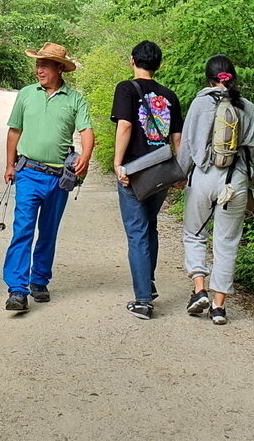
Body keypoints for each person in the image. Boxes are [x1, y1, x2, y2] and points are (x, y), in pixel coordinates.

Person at [1, 41, 94, 312]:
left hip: (58, 177)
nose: (39, 69)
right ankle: (17, 289)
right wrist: (9, 164)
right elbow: (14, 131)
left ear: (59, 69)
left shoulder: (74, 98)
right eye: (37, 64)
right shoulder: (26, 94)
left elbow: (87, 131)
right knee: (23, 229)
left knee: (48, 232)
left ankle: (39, 280)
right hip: (28, 172)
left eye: (44, 65)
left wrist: (86, 157)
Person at [179, 54, 254, 325]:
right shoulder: (247, 107)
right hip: (234, 181)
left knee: (194, 233)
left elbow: (188, 145)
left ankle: (199, 289)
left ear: (208, 77)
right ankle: (218, 307)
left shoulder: (200, 103)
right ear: (233, 77)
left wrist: (180, 174)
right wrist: (252, 183)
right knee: (226, 242)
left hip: (203, 177)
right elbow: (253, 152)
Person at [111, 40, 183, 319]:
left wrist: (118, 163)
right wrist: (181, 171)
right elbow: (177, 137)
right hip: (162, 171)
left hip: (135, 172)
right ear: (159, 65)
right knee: (149, 227)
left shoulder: (126, 88)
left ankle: (143, 300)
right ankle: (148, 282)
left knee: (137, 231)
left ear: (132, 61)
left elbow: (126, 125)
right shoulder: (170, 95)